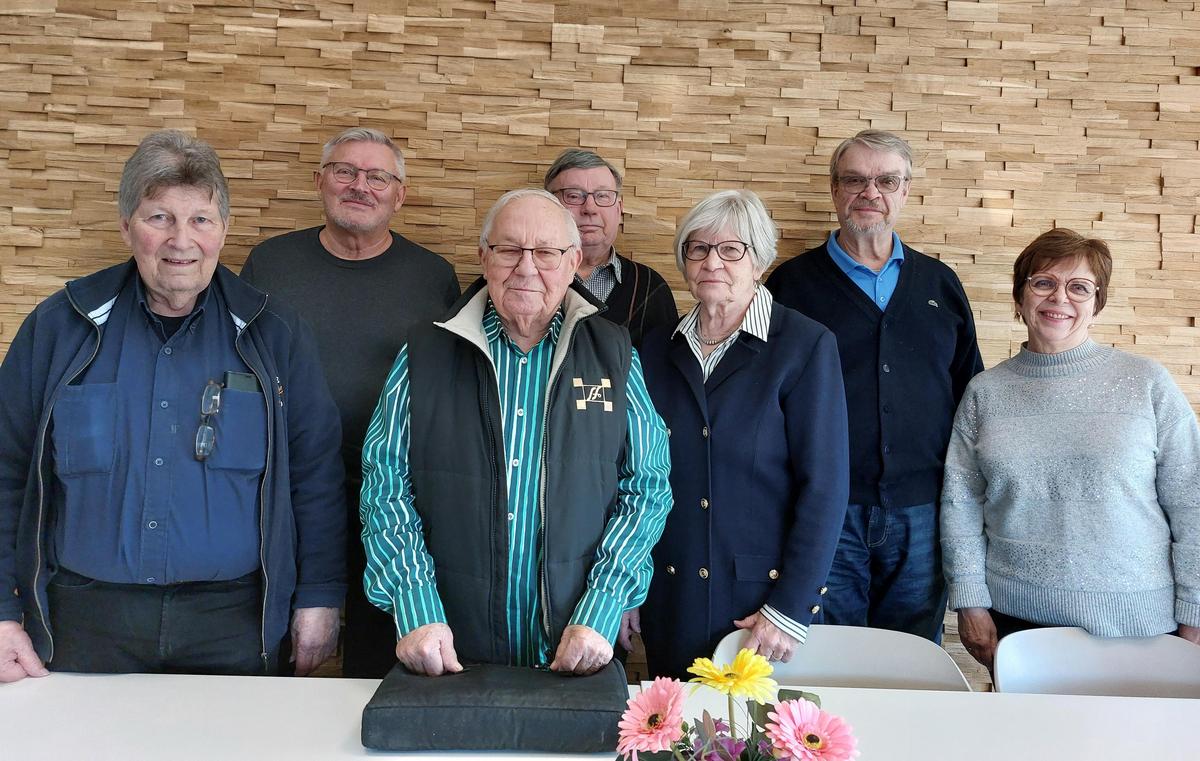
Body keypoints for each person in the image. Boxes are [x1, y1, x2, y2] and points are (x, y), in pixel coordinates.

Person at [0, 130, 346, 683]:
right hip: (85, 621)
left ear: (223, 230)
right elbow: (6, 470)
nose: (181, 240)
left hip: (233, 625)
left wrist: (320, 596)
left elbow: (316, 476)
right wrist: (2, 609)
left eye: (200, 219)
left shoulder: (274, 334)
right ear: (126, 227)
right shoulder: (59, 327)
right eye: (159, 217)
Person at [359, 188, 672, 676]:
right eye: (509, 249)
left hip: (574, 643)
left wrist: (604, 604)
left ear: (572, 263)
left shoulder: (614, 354)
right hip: (447, 646)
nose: (526, 268)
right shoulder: (424, 353)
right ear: (484, 257)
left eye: (545, 252)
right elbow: (384, 484)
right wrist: (415, 606)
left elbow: (648, 487)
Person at [240, 127, 459, 678]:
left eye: (377, 177)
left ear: (399, 195)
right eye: (345, 171)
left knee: (379, 662)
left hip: (392, 499)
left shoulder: (432, 276)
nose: (360, 186)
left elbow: (448, 385)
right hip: (284, 493)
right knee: (280, 657)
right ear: (320, 181)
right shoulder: (270, 264)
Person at [942, 228, 1200, 671]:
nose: (1059, 297)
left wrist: (1195, 609)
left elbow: (1191, 499)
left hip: (1141, 623)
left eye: (1079, 287)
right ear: (1020, 298)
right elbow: (960, 502)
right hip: (1017, 622)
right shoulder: (985, 392)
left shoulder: (1146, 382)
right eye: (1043, 282)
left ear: (1097, 304)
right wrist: (969, 600)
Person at [766, 130, 983, 642]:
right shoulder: (789, 287)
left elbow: (971, 396)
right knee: (831, 658)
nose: (870, 193)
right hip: (825, 514)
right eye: (855, 180)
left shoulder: (940, 284)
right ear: (834, 189)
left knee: (913, 657)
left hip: (923, 513)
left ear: (905, 191)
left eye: (886, 181)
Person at [635, 189, 850, 679]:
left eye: (732, 249)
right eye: (698, 248)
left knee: (763, 727)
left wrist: (789, 607)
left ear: (760, 262)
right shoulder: (654, 349)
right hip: (671, 597)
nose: (713, 261)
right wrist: (630, 592)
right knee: (676, 725)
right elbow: (635, 475)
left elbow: (825, 487)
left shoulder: (805, 345)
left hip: (762, 610)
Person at [543, 149, 677, 347]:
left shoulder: (650, 288)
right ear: (546, 205)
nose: (590, 208)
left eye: (603, 196)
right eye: (573, 196)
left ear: (619, 210)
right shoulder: (524, 278)